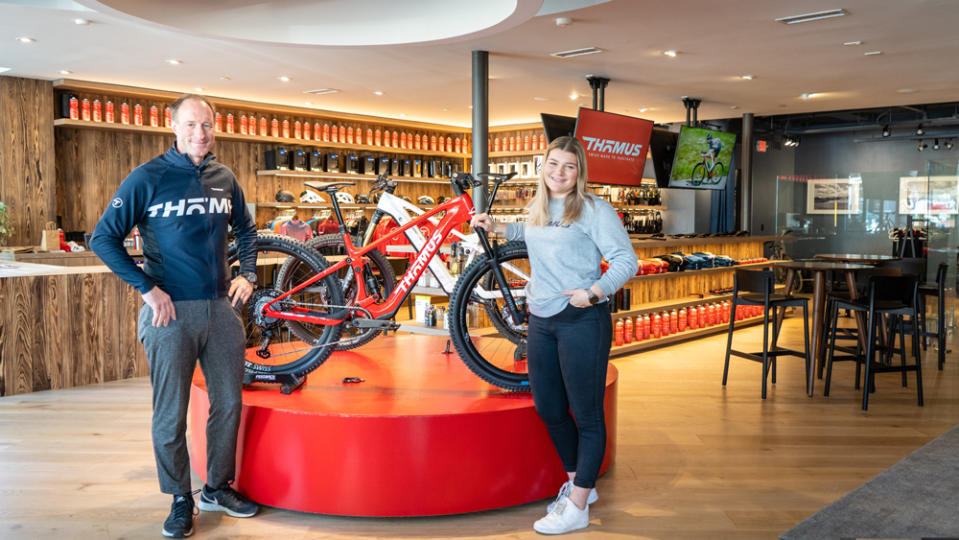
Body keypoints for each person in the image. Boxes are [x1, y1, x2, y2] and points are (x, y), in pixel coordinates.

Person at [90, 94, 260, 538]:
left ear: (214, 128)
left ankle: (216, 487)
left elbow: (245, 226)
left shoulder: (224, 177)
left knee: (228, 403)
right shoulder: (148, 177)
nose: (199, 134)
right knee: (171, 413)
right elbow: (103, 238)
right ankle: (180, 497)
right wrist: (147, 289)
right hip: (170, 314)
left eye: (206, 125)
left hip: (221, 309)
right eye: (190, 126)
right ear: (174, 129)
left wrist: (250, 273)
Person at [470, 136, 637, 534]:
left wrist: (593, 293)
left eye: (568, 166)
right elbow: (527, 232)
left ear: (579, 173)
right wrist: (495, 226)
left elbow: (625, 260)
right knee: (549, 408)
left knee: (588, 415)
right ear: (542, 166)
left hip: (582, 318)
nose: (558, 173)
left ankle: (577, 506)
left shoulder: (595, 209)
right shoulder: (539, 206)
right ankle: (581, 481)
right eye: (552, 164)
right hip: (541, 318)